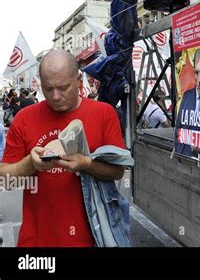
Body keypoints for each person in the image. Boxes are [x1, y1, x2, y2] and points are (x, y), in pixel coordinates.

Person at [1, 50, 128, 247]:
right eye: (48, 89)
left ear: (78, 80)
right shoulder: (24, 119)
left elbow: (118, 171)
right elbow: (5, 180)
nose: (55, 96)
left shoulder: (104, 113)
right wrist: (30, 163)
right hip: (36, 242)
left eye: (63, 87)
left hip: (93, 238)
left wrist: (86, 164)